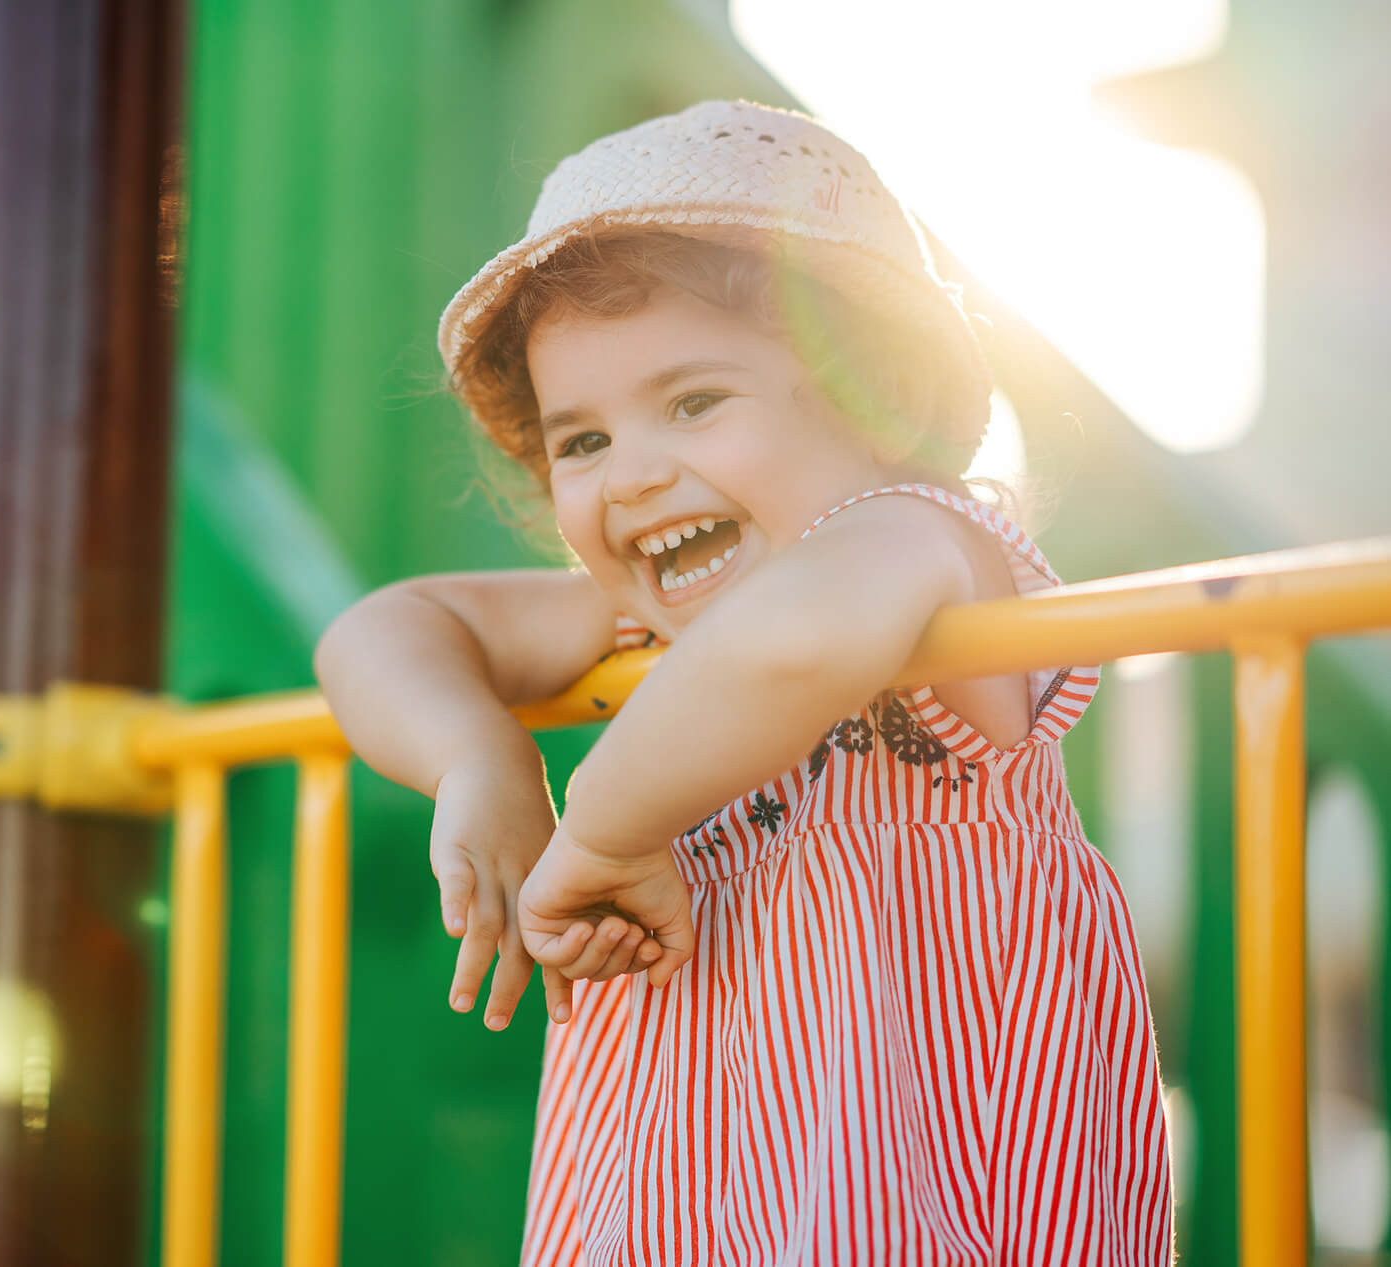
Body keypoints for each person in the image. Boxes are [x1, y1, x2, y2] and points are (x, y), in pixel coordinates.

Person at [315, 100, 1172, 1265]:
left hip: (926, 1208)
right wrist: (479, 757)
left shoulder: (921, 546)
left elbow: (795, 641)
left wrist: (600, 836)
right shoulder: (662, 615)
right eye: (582, 441)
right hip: (675, 1210)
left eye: (692, 403)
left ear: (885, 401)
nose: (632, 478)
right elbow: (383, 628)